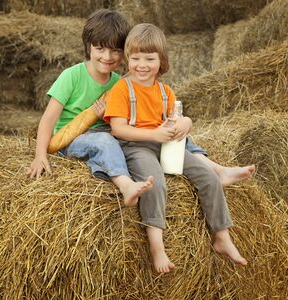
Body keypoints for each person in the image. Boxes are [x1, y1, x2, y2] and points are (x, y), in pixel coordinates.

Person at [26, 9, 254, 204]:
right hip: (74, 138)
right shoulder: (72, 76)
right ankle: (126, 185)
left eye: (115, 50)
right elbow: (48, 119)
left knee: (168, 129)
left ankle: (216, 169)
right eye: (100, 49)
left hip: (110, 131)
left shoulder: (119, 83)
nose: (107, 56)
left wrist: (175, 124)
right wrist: (39, 156)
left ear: (124, 52)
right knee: (103, 141)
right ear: (88, 47)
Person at [104, 23, 248, 273]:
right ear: (127, 59)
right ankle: (156, 246)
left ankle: (221, 235)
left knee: (208, 176)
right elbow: (118, 129)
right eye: (135, 58)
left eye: (149, 58)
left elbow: (176, 117)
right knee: (155, 181)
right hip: (135, 146)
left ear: (162, 61)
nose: (141, 65)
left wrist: (183, 124)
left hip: (164, 145)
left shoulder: (165, 91)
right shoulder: (122, 89)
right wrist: (155, 134)